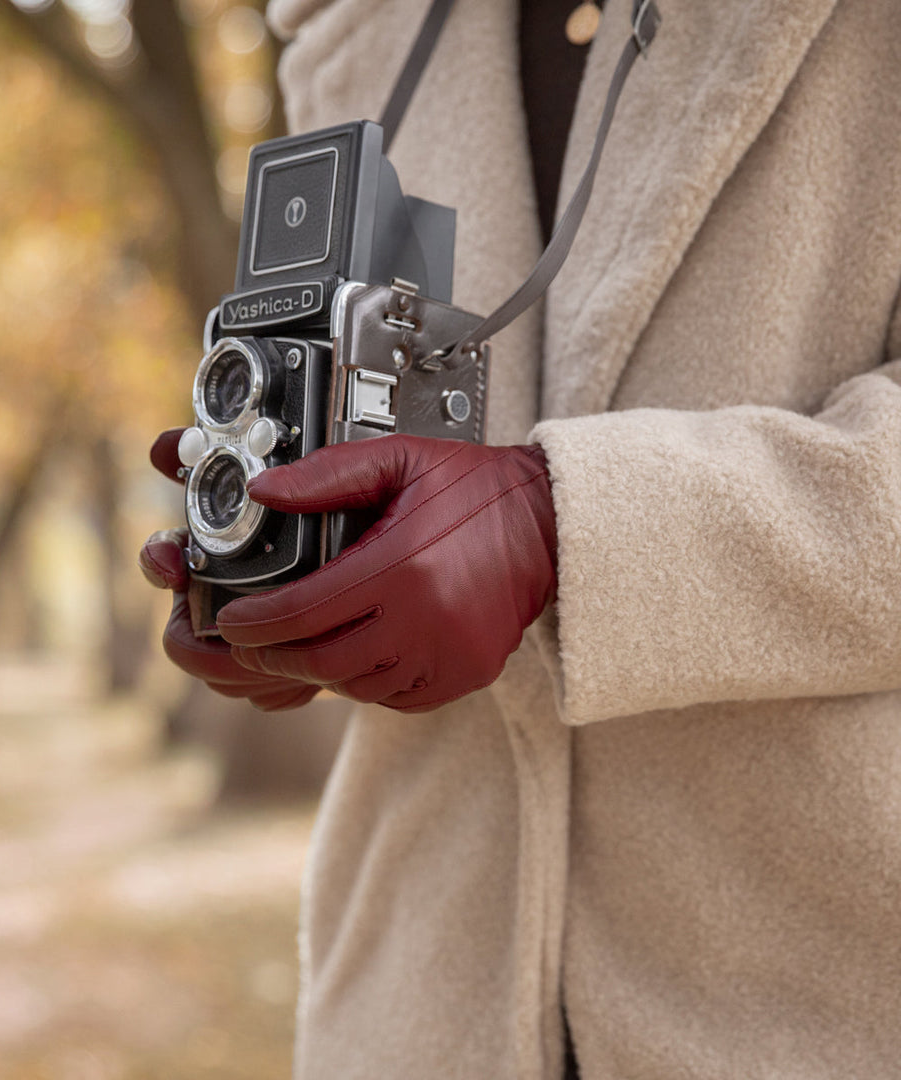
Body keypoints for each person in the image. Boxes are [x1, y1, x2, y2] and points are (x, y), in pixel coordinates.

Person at [140, 0, 901, 1076]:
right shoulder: (358, 24)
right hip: (417, 1006)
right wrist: (295, 575)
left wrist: (568, 528)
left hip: (825, 1003)